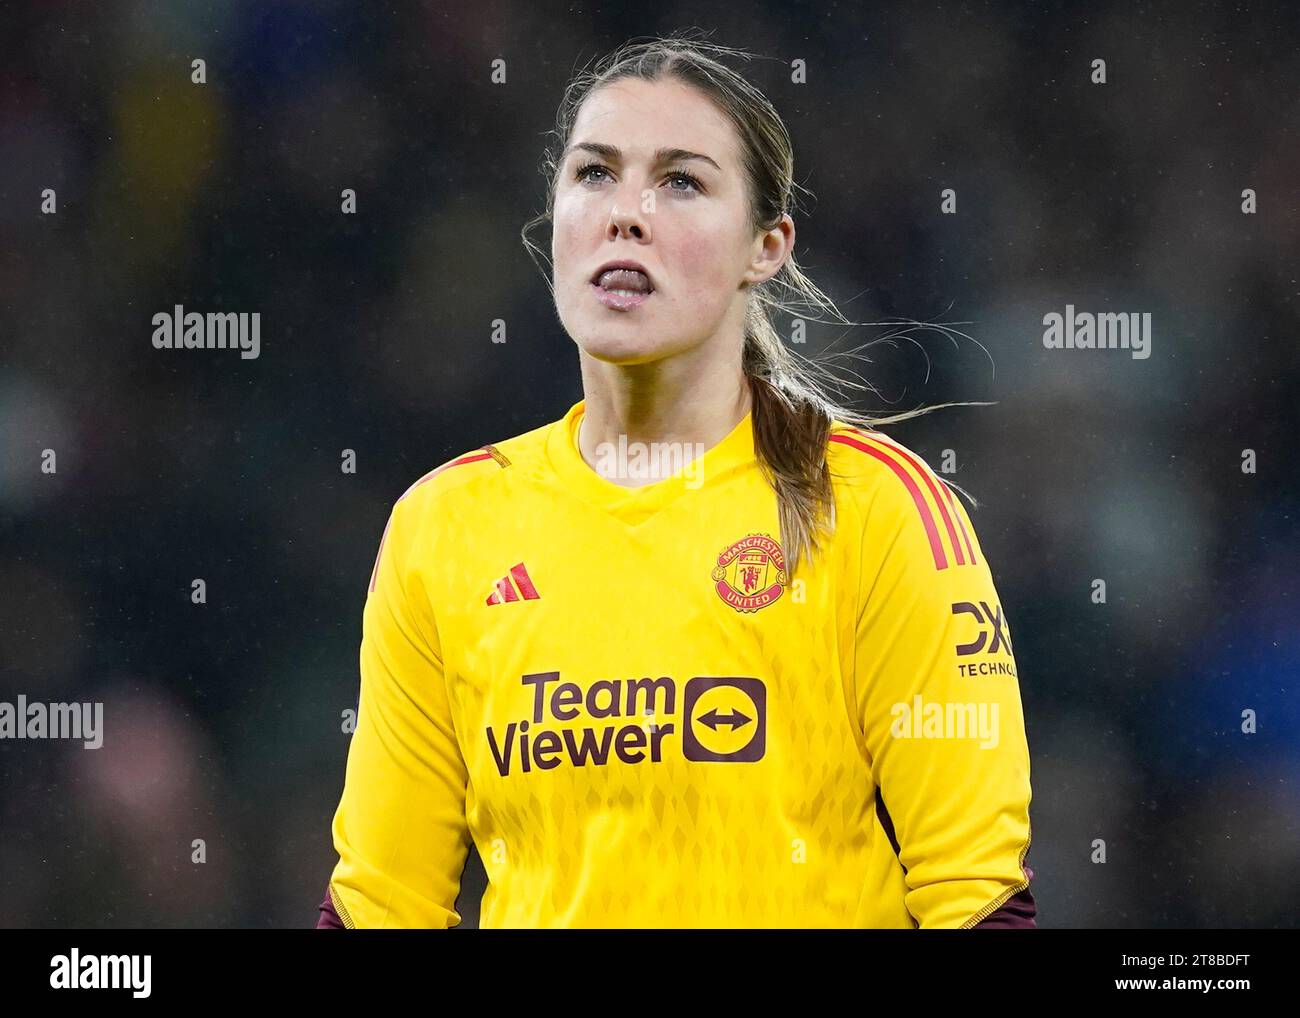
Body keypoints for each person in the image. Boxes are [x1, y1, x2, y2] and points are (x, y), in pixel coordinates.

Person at [316, 35, 1035, 929]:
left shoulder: (876, 510)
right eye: (594, 175)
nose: (627, 214)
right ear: (553, 224)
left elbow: (976, 898)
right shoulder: (444, 525)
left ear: (765, 247)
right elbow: (382, 902)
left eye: (682, 182)